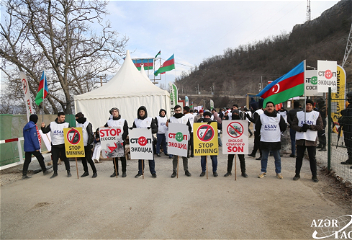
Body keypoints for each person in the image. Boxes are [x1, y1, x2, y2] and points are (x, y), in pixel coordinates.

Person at [291, 99, 323, 182]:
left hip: (311, 139)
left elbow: (320, 126)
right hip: (301, 139)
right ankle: (297, 174)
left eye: (310, 105)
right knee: (299, 158)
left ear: (312, 106)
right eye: (307, 104)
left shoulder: (316, 114)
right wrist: (301, 128)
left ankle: (314, 175)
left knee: (312, 158)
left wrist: (310, 127)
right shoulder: (299, 114)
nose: (308, 106)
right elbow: (293, 125)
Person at [255, 101, 287, 179]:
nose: (269, 107)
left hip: (275, 140)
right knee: (264, 157)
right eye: (268, 106)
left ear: (274, 107)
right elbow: (257, 127)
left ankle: (278, 172)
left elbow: (283, 126)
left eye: (271, 106)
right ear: (266, 107)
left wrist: (278, 133)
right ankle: (263, 171)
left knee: (277, 158)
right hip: (265, 140)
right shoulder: (261, 116)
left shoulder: (279, 116)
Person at [41, 112, 71, 178]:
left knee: (66, 159)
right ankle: (55, 172)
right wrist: (43, 127)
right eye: (62, 117)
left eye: (64, 117)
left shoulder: (67, 124)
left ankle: (68, 171)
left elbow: (70, 133)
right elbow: (45, 131)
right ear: (58, 117)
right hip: (55, 145)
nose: (63, 118)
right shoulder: (52, 124)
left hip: (63, 145)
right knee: (54, 160)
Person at [22, 114, 51, 179]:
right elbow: (34, 138)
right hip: (33, 147)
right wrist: (37, 147)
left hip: (27, 146)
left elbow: (25, 136)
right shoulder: (32, 127)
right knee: (40, 158)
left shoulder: (25, 127)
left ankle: (24, 174)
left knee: (27, 160)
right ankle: (44, 170)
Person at [167, 105, 192, 178]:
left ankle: (186, 170)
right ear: (174, 111)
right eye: (176, 110)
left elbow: (189, 128)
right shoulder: (171, 119)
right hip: (175, 140)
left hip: (183, 140)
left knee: (185, 156)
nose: (178, 112)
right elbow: (170, 129)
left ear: (181, 110)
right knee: (175, 157)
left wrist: (187, 137)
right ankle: (174, 171)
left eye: (179, 110)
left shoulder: (185, 118)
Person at [133, 106, 158, 178]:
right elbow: (134, 129)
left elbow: (155, 129)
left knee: (150, 158)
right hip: (139, 141)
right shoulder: (136, 120)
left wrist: (150, 129)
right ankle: (140, 172)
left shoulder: (150, 119)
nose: (141, 113)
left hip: (148, 141)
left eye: (142, 111)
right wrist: (132, 129)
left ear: (145, 112)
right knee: (140, 157)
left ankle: (153, 172)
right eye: (140, 112)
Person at [104, 108, 129, 178]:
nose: (114, 113)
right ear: (111, 113)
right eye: (113, 111)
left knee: (122, 157)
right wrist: (106, 128)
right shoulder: (109, 122)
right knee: (114, 157)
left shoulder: (123, 121)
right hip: (112, 142)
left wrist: (122, 138)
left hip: (120, 141)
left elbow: (126, 131)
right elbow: (104, 129)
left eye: (116, 111)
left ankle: (124, 171)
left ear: (118, 112)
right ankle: (115, 171)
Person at [224, 110, 248, 178]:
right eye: (234, 113)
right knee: (230, 159)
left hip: (239, 143)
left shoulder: (242, 122)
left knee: (242, 159)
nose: (235, 114)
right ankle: (229, 171)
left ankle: (243, 172)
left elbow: (244, 132)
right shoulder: (229, 122)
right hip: (231, 143)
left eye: (236, 113)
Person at [197, 110, 220, 177]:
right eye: (205, 116)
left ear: (210, 116)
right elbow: (195, 127)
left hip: (212, 143)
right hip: (203, 143)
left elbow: (221, 127)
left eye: (208, 116)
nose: (206, 117)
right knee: (203, 158)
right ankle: (203, 171)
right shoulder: (200, 122)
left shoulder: (214, 122)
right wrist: (199, 121)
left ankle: (214, 171)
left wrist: (214, 123)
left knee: (214, 158)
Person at [75, 112, 97, 178]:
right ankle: (86, 171)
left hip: (87, 144)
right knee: (83, 159)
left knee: (89, 159)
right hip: (80, 144)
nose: (76, 120)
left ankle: (94, 171)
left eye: (77, 118)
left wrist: (89, 143)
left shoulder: (88, 124)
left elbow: (90, 134)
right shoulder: (77, 124)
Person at [339, 91, 352, 167]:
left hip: (350, 128)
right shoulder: (349, 106)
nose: (348, 99)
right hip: (347, 128)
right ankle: (350, 159)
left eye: (349, 97)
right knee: (348, 144)